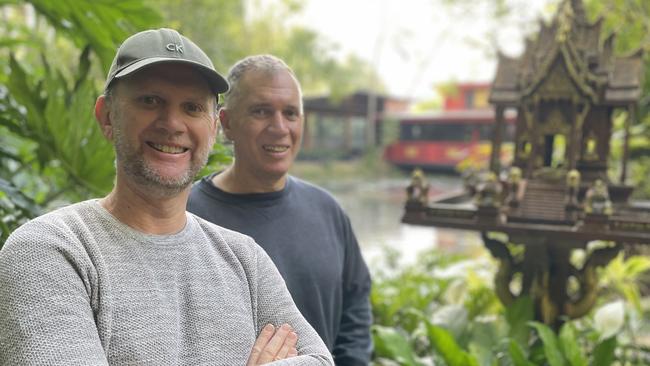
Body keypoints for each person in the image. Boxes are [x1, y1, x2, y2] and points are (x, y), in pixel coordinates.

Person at [0, 28, 333, 365]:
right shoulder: (51, 250)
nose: (172, 123)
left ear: (214, 128)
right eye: (150, 100)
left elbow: (320, 360)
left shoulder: (244, 258)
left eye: (191, 107)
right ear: (107, 116)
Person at [187, 55, 372, 365]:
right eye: (261, 111)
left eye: (290, 113)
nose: (279, 127)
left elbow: (356, 305)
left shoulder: (328, 210)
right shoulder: (187, 214)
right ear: (227, 123)